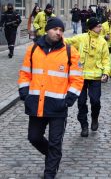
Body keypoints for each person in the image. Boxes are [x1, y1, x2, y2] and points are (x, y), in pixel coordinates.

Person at [18, 17, 84, 179]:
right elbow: (25, 73)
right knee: (34, 137)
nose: (58, 32)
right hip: (36, 103)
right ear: (48, 30)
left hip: (58, 106)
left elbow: (77, 78)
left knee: (55, 142)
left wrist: (69, 99)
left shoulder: (70, 52)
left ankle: (49, 173)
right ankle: (54, 156)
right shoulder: (33, 49)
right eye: (55, 29)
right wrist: (25, 93)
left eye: (61, 30)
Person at [65, 17, 110, 137]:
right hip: (80, 77)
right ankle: (84, 125)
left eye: (101, 26)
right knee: (81, 103)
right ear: (91, 27)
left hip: (96, 77)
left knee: (95, 101)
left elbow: (106, 59)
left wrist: (106, 73)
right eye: (98, 26)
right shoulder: (81, 38)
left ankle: (95, 117)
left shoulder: (103, 42)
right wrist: (51, 38)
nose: (101, 28)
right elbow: (67, 41)